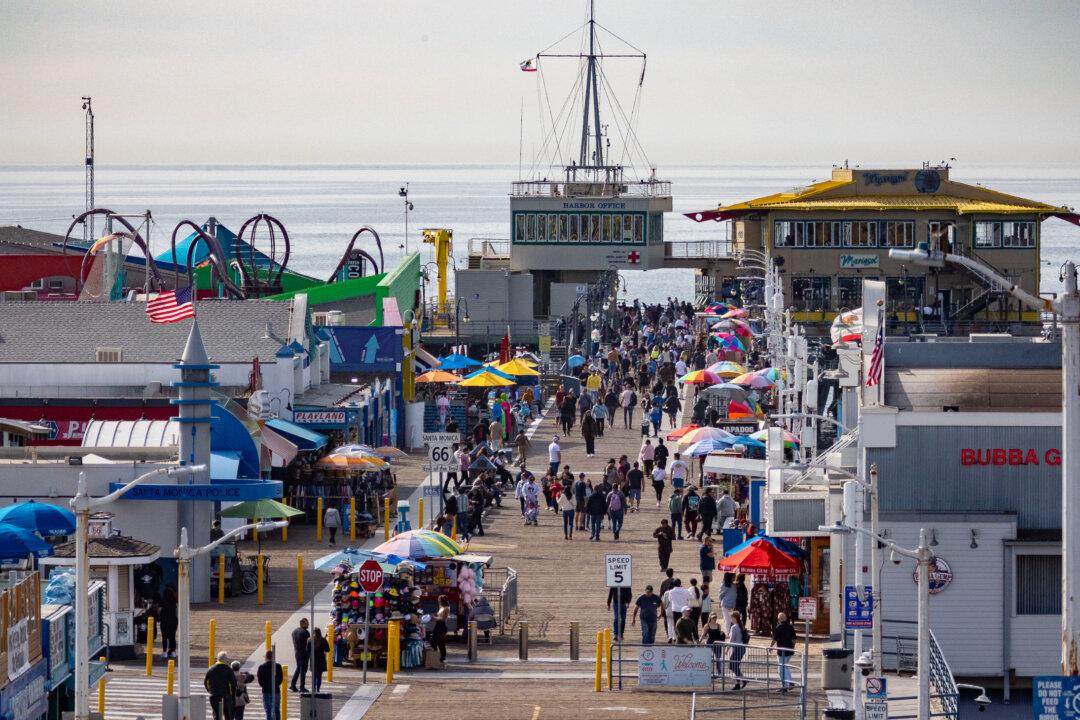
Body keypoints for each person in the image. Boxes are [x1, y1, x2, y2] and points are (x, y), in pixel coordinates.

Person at [205, 652, 237, 720]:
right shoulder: (228, 669)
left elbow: (206, 682)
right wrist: (233, 697)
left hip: (214, 694)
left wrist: (210, 691)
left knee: (216, 714)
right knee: (227, 715)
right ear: (225, 659)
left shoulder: (211, 669)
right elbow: (233, 684)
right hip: (226, 695)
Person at [770, 612, 797, 692]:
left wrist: (771, 647)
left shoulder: (778, 627)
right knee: (785, 666)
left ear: (779, 620)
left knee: (781, 669)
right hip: (789, 650)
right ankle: (787, 684)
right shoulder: (790, 627)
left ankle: (787, 683)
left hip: (781, 651)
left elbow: (774, 639)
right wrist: (792, 647)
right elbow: (795, 639)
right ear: (785, 618)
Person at [256, 651, 283, 720]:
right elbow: (281, 679)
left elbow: (260, 680)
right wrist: (276, 685)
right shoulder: (278, 666)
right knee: (276, 708)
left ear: (266, 657)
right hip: (276, 690)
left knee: (268, 709)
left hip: (266, 690)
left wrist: (264, 686)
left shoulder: (261, 667)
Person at [728, 610, 748, 689]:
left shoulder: (734, 627)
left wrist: (727, 648)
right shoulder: (741, 625)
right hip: (742, 648)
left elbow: (732, 639)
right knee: (735, 665)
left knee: (732, 665)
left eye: (732, 618)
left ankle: (742, 679)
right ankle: (738, 682)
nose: (731, 620)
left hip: (737, 648)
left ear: (735, 618)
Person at [289, 618, 310, 692]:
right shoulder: (305, 632)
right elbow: (308, 644)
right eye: (307, 623)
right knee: (303, 670)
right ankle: (302, 686)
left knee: (298, 668)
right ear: (303, 624)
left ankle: (293, 684)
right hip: (304, 653)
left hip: (297, 652)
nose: (308, 625)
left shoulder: (294, 631)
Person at [158, 585, 178, 659]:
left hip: (164, 620)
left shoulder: (163, 600)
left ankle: (164, 652)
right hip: (174, 620)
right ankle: (173, 652)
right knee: (172, 636)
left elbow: (159, 611)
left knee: (164, 636)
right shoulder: (175, 601)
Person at [432, 595, 451, 666]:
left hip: (442, 626)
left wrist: (435, 618)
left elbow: (444, 619)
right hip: (437, 625)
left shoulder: (446, 608)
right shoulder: (441, 607)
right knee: (433, 640)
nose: (438, 601)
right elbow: (439, 617)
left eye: (439, 600)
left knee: (441, 642)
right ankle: (435, 655)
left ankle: (443, 657)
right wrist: (435, 617)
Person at [311, 627, 329, 693]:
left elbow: (307, 650)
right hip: (321, 660)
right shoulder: (323, 640)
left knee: (314, 675)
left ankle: (314, 688)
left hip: (313, 660)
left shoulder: (310, 640)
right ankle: (318, 689)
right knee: (319, 676)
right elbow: (328, 649)